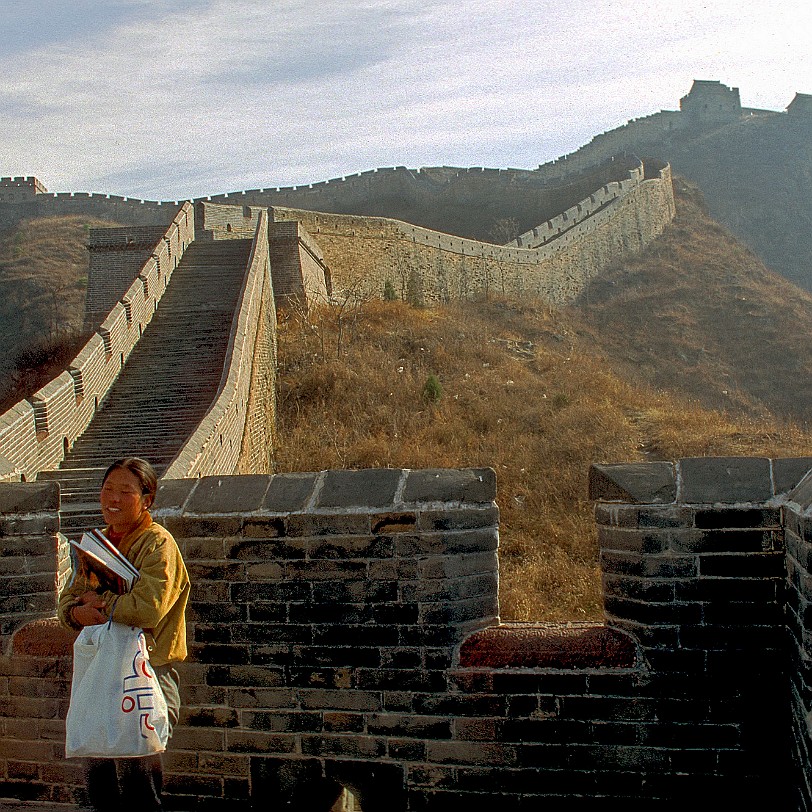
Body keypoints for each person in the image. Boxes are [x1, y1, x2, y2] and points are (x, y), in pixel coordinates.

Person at [58, 457, 190, 812]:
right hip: (100, 670)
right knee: (98, 772)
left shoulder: (158, 545)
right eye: (107, 489)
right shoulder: (97, 546)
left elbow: (148, 607)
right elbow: (68, 600)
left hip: (146, 671)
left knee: (139, 777)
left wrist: (98, 602)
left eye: (125, 491)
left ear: (146, 500)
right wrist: (76, 613)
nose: (112, 498)